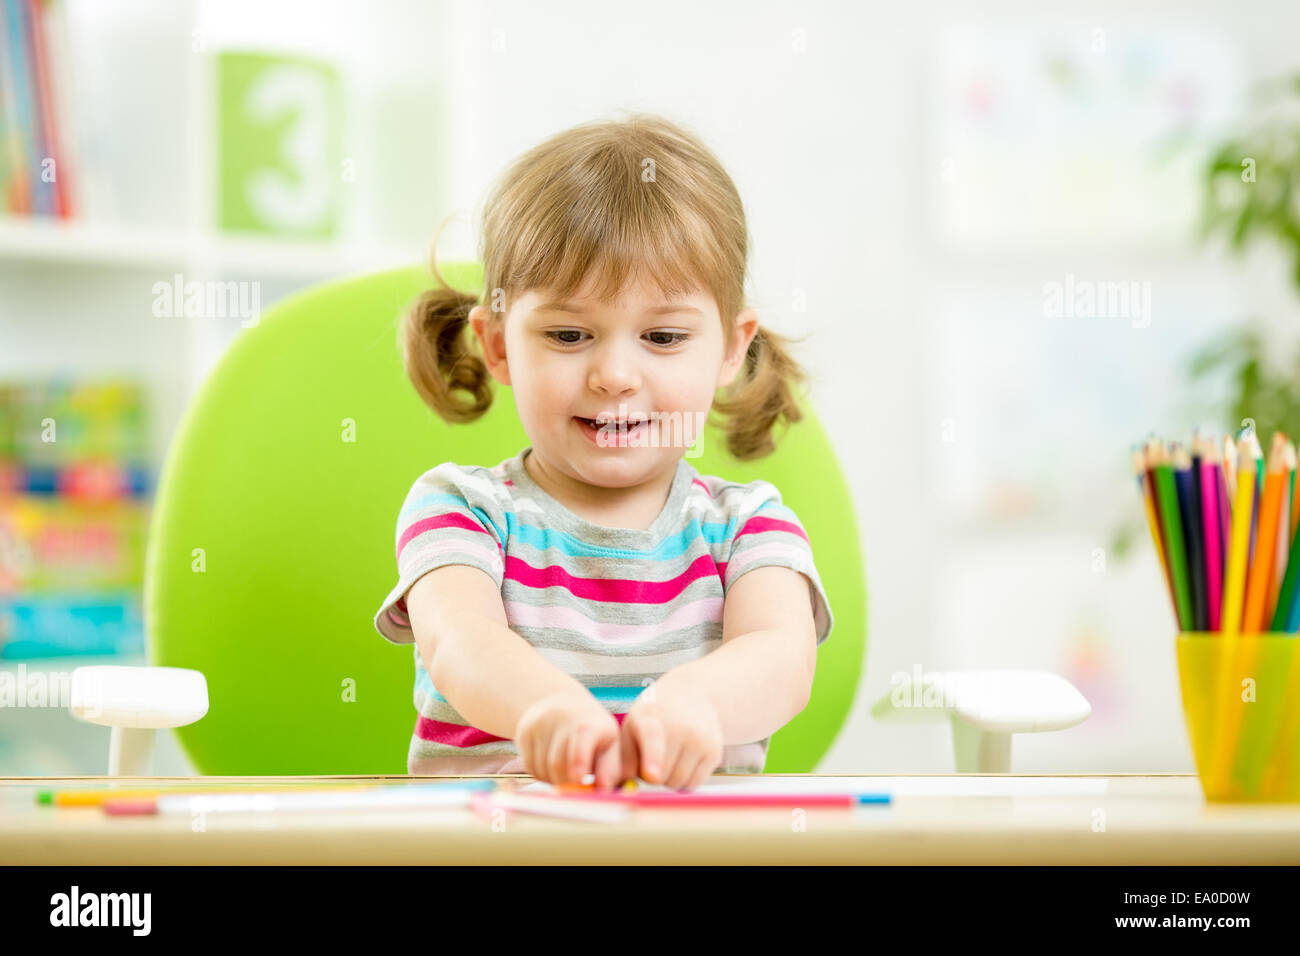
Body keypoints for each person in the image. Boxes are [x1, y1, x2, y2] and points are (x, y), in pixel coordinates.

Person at [373, 112, 834, 792]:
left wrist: (696, 704)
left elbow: (782, 655)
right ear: (498, 345)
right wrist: (549, 708)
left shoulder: (748, 526)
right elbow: (457, 640)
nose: (615, 374)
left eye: (664, 337)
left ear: (732, 349)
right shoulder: (461, 509)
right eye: (567, 335)